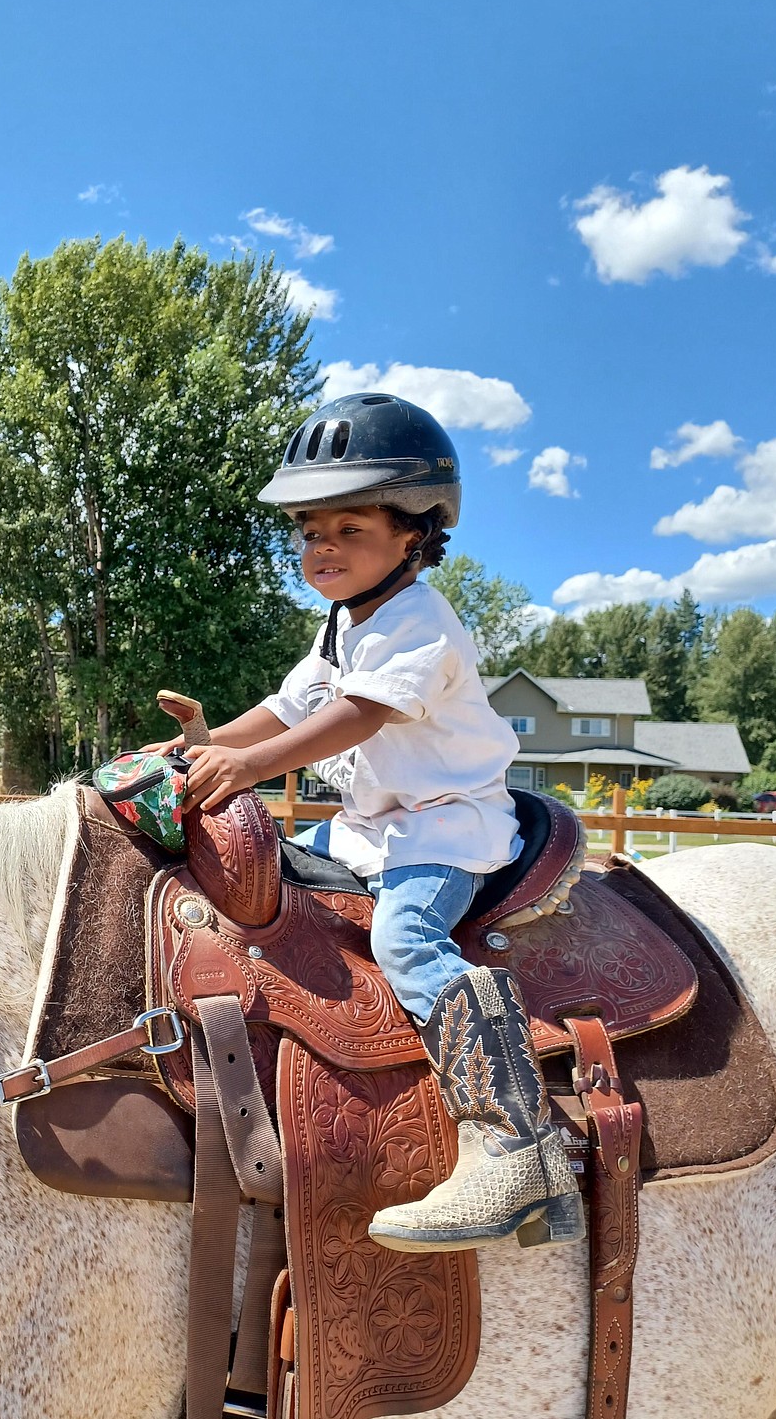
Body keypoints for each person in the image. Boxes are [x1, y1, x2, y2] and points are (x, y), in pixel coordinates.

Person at [173, 392, 582, 1254]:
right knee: (264, 876)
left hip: (443, 828)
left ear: (415, 533)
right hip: (369, 827)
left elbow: (357, 717)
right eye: (309, 531)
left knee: (405, 940)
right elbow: (287, 710)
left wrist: (246, 768)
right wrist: (195, 748)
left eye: (348, 530)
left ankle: (518, 1145)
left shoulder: (418, 623)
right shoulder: (341, 625)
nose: (321, 549)